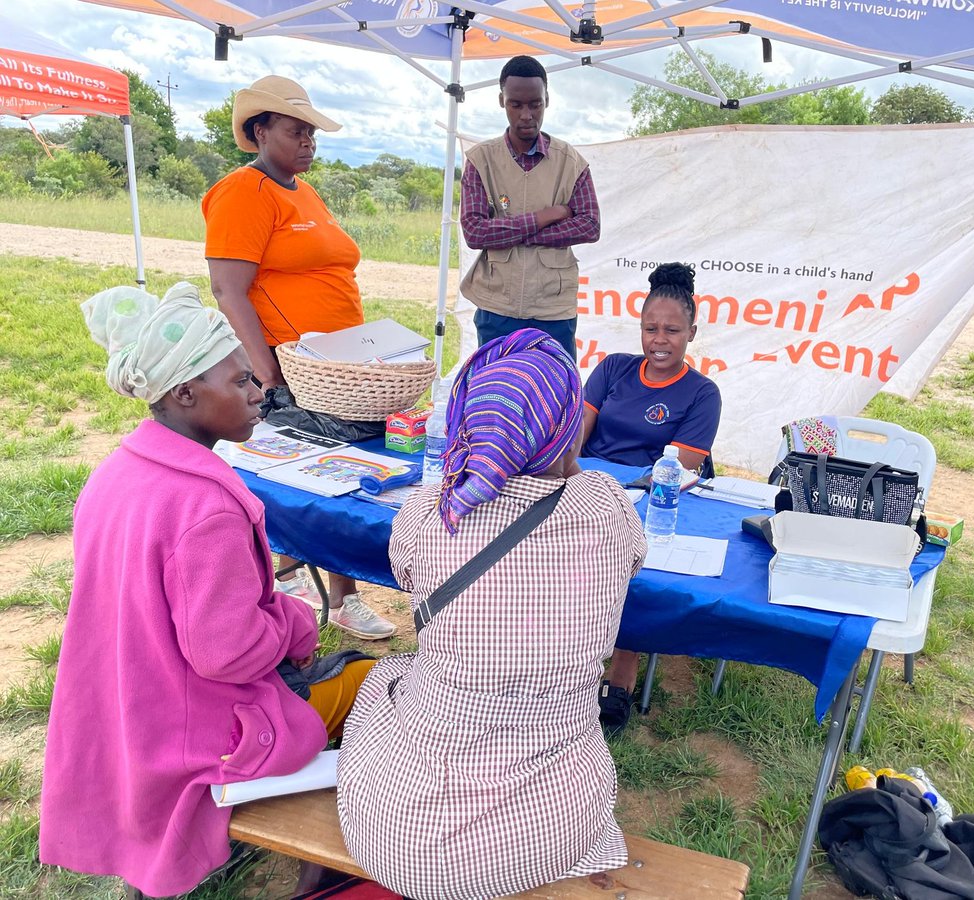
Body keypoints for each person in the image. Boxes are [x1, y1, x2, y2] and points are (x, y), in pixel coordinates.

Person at [40, 283, 375, 898]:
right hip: (195, 734)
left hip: (124, 710)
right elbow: (230, 654)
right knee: (373, 683)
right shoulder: (207, 508)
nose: (260, 392)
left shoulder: (116, 473)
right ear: (185, 393)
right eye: (241, 381)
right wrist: (295, 620)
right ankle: (324, 864)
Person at [337, 329, 646, 899]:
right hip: (544, 831)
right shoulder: (605, 505)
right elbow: (632, 558)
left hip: (395, 831)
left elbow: (409, 577)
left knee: (387, 675)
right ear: (565, 427)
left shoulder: (429, 512)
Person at [202, 74, 394, 640]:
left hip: (339, 369)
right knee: (313, 479)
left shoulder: (303, 192)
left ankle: (314, 584)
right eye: (295, 130)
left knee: (334, 474)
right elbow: (228, 290)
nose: (308, 141)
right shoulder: (243, 192)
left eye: (311, 132)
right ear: (260, 130)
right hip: (292, 368)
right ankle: (334, 593)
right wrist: (267, 375)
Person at [578, 262, 722, 736]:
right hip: (586, 487)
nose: (659, 340)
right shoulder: (613, 368)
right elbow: (576, 439)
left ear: (692, 333)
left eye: (672, 331)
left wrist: (618, 493)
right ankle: (557, 657)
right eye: (650, 329)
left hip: (647, 501)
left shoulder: (702, 393)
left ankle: (622, 672)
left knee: (629, 564)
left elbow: (675, 469)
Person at [459, 55, 600, 357]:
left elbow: (590, 225)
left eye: (535, 104)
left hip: (553, 308)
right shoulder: (481, 160)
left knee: (555, 384)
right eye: (516, 104)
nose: (526, 115)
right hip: (497, 305)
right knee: (496, 384)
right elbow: (474, 232)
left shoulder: (571, 162)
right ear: (502, 100)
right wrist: (545, 217)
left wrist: (517, 233)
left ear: (547, 100)